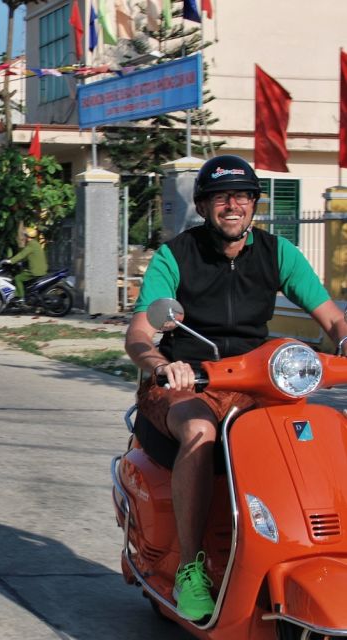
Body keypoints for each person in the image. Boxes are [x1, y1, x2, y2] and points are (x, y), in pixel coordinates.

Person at [124, 155, 347, 622]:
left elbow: (331, 318)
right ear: (204, 205)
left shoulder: (277, 252)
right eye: (222, 197)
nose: (233, 206)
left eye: (242, 196)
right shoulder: (175, 256)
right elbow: (140, 333)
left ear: (253, 205)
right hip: (186, 382)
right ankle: (190, 569)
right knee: (202, 433)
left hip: (255, 380)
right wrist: (161, 365)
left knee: (307, 434)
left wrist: (344, 340)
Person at [8, 226, 47, 305]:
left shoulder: (31, 245)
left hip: (35, 271)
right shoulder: (36, 243)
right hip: (41, 269)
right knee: (23, 274)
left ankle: (21, 298)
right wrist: (22, 262)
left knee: (18, 278)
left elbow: (22, 254)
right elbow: (29, 256)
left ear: (27, 236)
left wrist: (10, 261)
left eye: (25, 236)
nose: (24, 238)